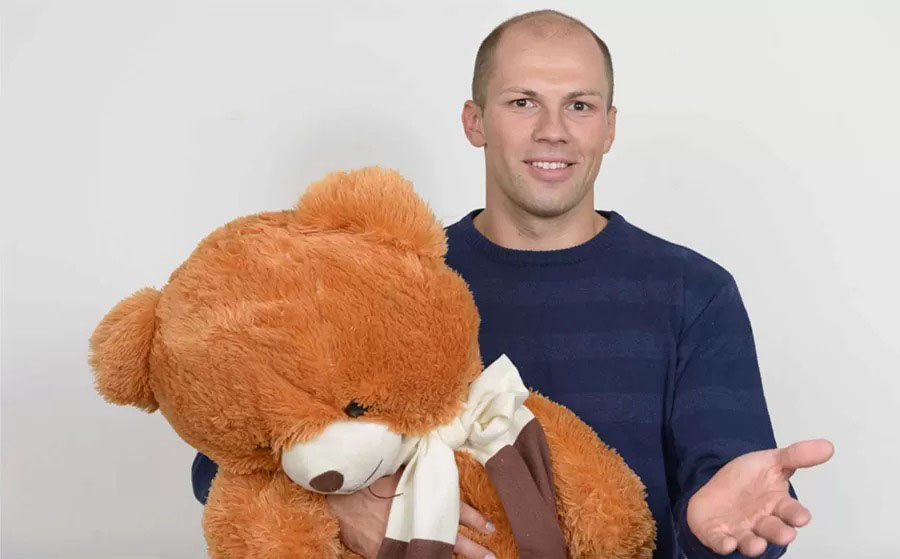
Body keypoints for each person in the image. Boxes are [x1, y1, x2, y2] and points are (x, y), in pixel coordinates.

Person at [191, 9, 834, 559]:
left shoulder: (695, 292)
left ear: (609, 127)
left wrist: (705, 531)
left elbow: (735, 499)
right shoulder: (388, 279)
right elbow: (229, 452)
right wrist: (335, 507)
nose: (553, 129)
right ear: (475, 122)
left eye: (578, 105)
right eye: (523, 101)